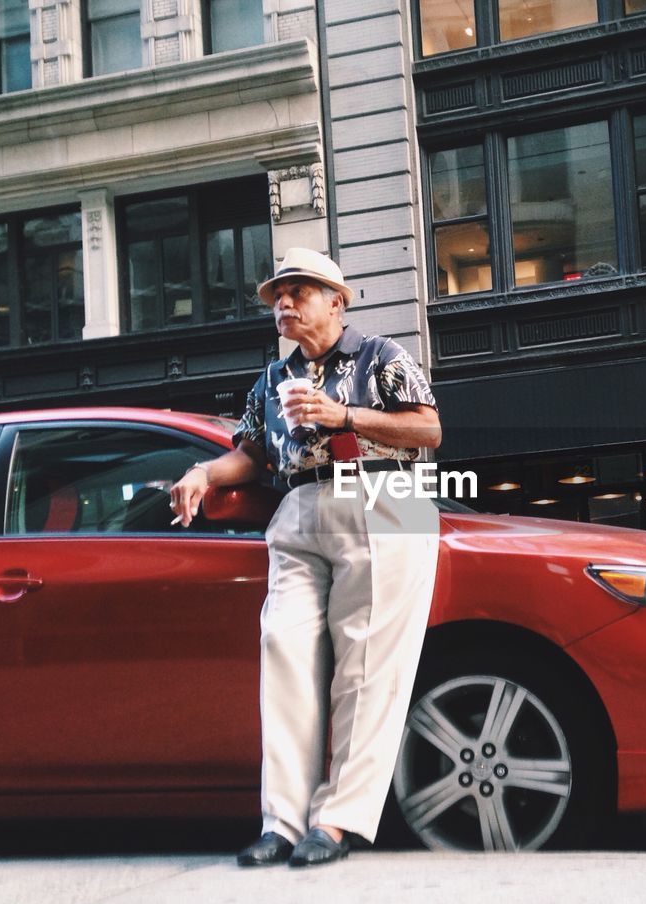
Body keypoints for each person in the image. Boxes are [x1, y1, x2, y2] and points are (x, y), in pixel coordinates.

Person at [169, 248, 442, 868]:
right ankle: (282, 823)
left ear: (336, 302)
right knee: (283, 654)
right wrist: (206, 471)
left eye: (297, 292)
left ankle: (339, 822)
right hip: (299, 506)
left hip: (385, 496)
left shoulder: (381, 356)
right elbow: (255, 453)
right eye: (277, 297)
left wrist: (344, 414)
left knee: (367, 667)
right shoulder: (272, 378)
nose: (283, 304)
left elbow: (429, 430)